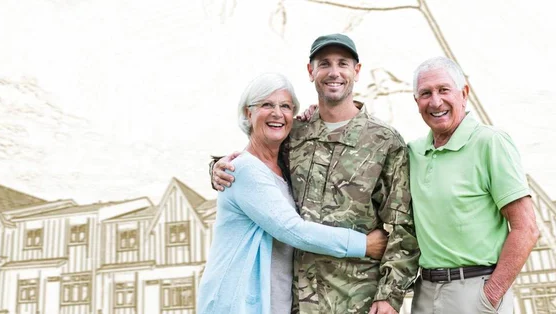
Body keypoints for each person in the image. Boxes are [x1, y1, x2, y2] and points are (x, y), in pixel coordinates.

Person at [210, 34, 420, 314]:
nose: (334, 72)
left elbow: (402, 227)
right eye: (324, 64)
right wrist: (216, 167)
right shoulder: (293, 135)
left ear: (356, 71)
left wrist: (389, 297)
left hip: (357, 301)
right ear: (311, 71)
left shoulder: (385, 142)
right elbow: (257, 167)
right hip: (295, 302)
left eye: (343, 63)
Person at [197, 72, 389, 314]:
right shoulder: (244, 169)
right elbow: (293, 230)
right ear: (248, 113)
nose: (277, 113)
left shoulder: (284, 166)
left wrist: (314, 118)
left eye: (285, 106)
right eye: (267, 104)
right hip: (237, 302)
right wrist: (364, 244)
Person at [408, 56, 540, 313]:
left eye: (444, 90)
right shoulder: (413, 152)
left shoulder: (491, 142)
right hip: (425, 294)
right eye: (426, 93)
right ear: (417, 102)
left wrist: (490, 295)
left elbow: (527, 228)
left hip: (475, 293)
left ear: (464, 93)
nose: (436, 101)